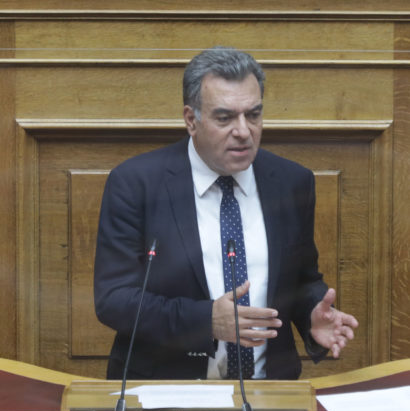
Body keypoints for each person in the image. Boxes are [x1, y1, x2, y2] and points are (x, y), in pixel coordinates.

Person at [94, 46, 358, 380]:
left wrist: (312, 314)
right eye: (225, 118)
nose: (244, 131)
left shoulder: (291, 182)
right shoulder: (136, 184)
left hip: (268, 392)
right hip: (165, 390)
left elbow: (301, 279)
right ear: (191, 120)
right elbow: (114, 299)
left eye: (253, 115)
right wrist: (205, 321)